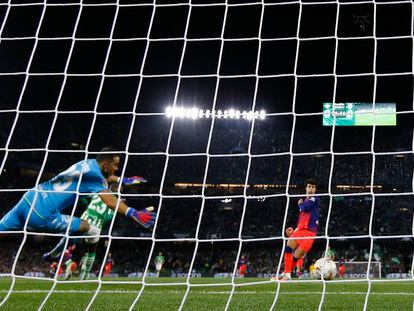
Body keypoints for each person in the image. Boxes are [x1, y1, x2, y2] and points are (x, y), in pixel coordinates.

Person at [0, 148, 156, 258]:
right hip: (42, 215)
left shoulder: (87, 163)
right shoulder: (96, 177)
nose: (117, 168)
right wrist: (133, 213)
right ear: (105, 165)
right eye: (115, 165)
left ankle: (56, 253)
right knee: (86, 226)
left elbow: (104, 178)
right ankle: (55, 254)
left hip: (29, 198)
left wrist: (124, 180)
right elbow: (110, 201)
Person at [275, 179, 320, 281]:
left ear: (315, 189)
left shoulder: (316, 198)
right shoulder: (304, 200)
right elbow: (303, 216)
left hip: (310, 232)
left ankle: (287, 273)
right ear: (306, 188)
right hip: (299, 229)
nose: (311, 188)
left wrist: (300, 205)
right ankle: (287, 274)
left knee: (297, 255)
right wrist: (295, 229)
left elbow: (306, 208)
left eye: (313, 187)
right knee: (289, 246)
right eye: (309, 186)